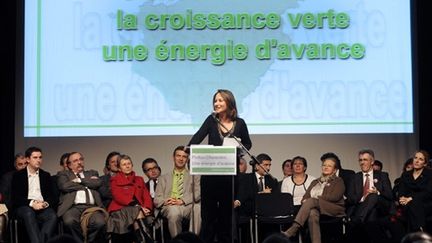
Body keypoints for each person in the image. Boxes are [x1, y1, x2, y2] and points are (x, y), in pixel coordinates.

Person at [188, 89, 252, 243]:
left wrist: (239, 147)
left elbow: (248, 144)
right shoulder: (211, 120)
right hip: (210, 175)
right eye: (215, 101)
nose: (216, 103)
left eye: (220, 100)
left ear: (229, 102)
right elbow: (197, 137)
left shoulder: (240, 123)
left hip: (229, 177)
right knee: (208, 217)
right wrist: (187, 148)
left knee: (226, 218)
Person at [282, 156, 345, 243]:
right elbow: (305, 197)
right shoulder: (315, 181)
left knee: (311, 201)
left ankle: (294, 228)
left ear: (334, 170)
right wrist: (306, 200)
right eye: (324, 165)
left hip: (333, 208)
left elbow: (335, 197)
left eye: (329, 166)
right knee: (312, 213)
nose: (325, 167)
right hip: (318, 208)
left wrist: (316, 198)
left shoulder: (338, 181)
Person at [57, 151, 107, 243]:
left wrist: (79, 180)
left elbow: (97, 183)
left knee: (100, 223)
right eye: (75, 161)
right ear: (69, 165)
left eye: (81, 159)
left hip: (92, 207)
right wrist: (88, 183)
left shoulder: (92, 172)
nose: (79, 162)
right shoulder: (64, 175)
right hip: (72, 207)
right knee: (69, 222)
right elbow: (64, 186)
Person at [11, 146, 58, 243]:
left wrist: (45, 204)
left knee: (52, 216)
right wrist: (32, 203)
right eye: (35, 157)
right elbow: (15, 198)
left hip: (42, 206)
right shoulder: (18, 175)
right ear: (28, 159)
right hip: (25, 206)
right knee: (29, 213)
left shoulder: (46, 175)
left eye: (40, 157)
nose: (39, 160)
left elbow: (53, 196)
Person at [154, 146, 201, 238]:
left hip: (187, 205)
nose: (181, 159)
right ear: (173, 157)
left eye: (184, 157)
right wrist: (166, 201)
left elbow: (198, 194)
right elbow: (157, 199)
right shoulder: (163, 178)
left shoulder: (194, 176)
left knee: (197, 208)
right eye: (178, 156)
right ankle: (178, 240)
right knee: (174, 211)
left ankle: (192, 240)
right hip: (171, 206)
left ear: (187, 159)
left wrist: (182, 200)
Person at [107, 154, 154, 243]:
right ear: (119, 168)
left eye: (129, 163)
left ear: (132, 165)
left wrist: (147, 208)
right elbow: (118, 196)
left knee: (137, 213)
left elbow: (146, 196)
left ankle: (142, 239)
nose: (127, 166)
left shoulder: (139, 179)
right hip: (120, 209)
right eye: (124, 164)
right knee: (138, 211)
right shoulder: (115, 179)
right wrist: (137, 206)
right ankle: (147, 239)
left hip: (138, 209)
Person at [234, 153, 279, 242]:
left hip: (267, 211)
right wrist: (261, 193)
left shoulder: (272, 180)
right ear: (257, 166)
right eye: (266, 165)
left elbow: (275, 198)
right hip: (250, 210)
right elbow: (244, 195)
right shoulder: (246, 178)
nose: (268, 168)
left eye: (270, 165)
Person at [347, 149, 393, 223]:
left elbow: (390, 195)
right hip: (360, 205)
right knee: (372, 213)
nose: (362, 162)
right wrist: (364, 197)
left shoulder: (382, 175)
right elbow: (350, 198)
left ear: (372, 162)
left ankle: (359, 219)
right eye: (360, 160)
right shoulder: (354, 177)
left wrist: (377, 192)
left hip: (380, 206)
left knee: (373, 195)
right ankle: (362, 220)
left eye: (365, 160)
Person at [398, 150, 432, 232]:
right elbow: (401, 191)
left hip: (425, 202)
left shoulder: (429, 174)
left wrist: (411, 198)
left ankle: (417, 231)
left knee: (413, 204)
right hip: (407, 203)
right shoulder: (406, 175)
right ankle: (420, 230)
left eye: (420, 159)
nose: (417, 161)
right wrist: (402, 198)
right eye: (415, 158)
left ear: (425, 163)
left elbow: (428, 192)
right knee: (411, 205)